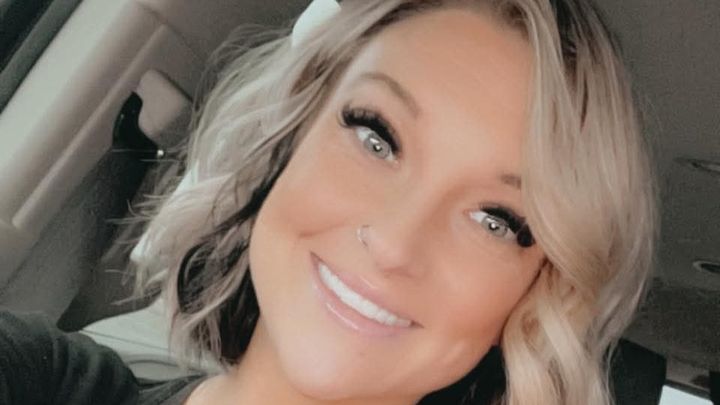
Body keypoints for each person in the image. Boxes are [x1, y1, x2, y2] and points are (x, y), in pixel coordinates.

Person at [0, 0, 657, 404]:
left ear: (534, 295)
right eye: (376, 137)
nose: (395, 243)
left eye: (497, 220)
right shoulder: (43, 378)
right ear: (290, 140)